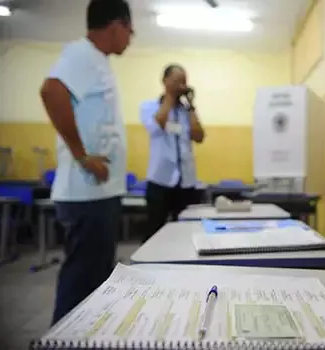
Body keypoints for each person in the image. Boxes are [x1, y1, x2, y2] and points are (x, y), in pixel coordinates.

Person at [39, 0, 133, 325]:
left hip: (99, 194)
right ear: (115, 26)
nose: (131, 36)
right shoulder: (82, 54)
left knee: (95, 285)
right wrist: (81, 155)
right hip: (86, 195)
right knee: (81, 286)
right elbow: (51, 91)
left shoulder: (98, 61)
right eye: (129, 29)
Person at [140, 64, 205, 243]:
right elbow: (157, 124)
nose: (181, 86)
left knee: (186, 233)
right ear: (164, 81)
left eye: (184, 81)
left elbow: (199, 136)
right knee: (154, 232)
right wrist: (169, 96)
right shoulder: (149, 106)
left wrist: (191, 106)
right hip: (160, 180)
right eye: (177, 81)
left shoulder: (186, 112)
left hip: (186, 182)